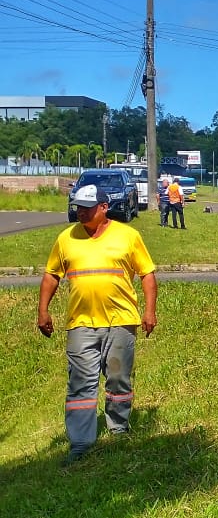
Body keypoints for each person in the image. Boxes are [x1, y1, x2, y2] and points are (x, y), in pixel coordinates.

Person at [37, 184, 157, 464]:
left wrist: (149, 312)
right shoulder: (66, 238)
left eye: (87, 207)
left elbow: (147, 276)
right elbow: (51, 276)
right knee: (80, 384)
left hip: (121, 321)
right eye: (77, 207)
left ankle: (118, 429)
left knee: (118, 378)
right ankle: (80, 442)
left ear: (104, 208)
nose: (80, 212)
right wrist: (43, 311)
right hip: (80, 323)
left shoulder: (128, 236)